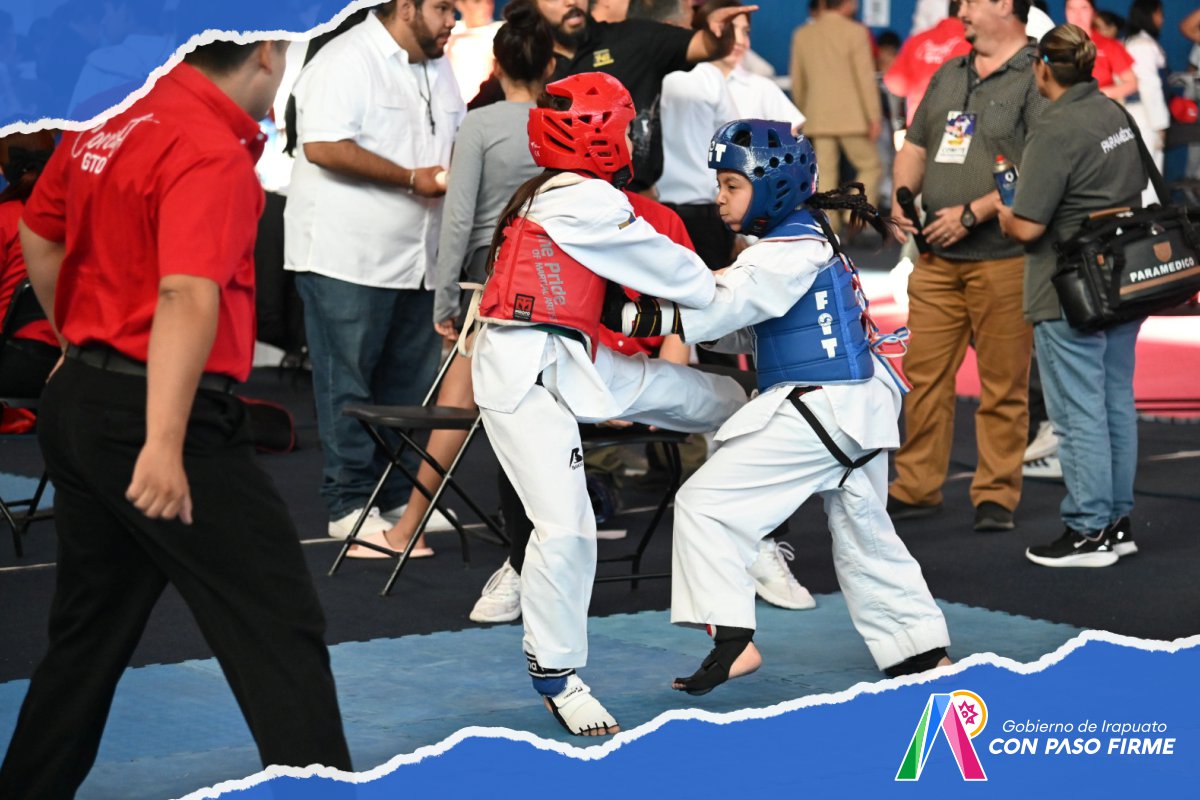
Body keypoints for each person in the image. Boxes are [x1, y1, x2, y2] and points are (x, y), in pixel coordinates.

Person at [0, 40, 353, 798]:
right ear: (265, 54)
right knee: (277, 627)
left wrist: (74, 341)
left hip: (82, 402)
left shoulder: (108, 118)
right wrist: (162, 443)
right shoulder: (207, 149)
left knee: (87, 636)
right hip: (166, 419)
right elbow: (185, 294)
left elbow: (39, 231)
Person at [607, 119, 951, 692]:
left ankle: (732, 640)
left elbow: (724, 304)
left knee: (705, 504)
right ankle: (921, 655)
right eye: (719, 184)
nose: (719, 198)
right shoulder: (802, 239)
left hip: (823, 408)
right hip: (854, 407)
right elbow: (753, 328)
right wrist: (675, 317)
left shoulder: (786, 251)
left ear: (772, 186)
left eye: (732, 185)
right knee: (867, 537)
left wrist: (631, 314)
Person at [468, 72, 746, 735]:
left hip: (577, 359)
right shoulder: (582, 201)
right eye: (626, 127)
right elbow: (681, 278)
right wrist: (752, 296)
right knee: (565, 529)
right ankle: (556, 676)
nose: (634, 138)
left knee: (730, 402)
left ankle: (745, 531)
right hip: (523, 378)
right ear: (601, 137)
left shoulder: (554, 193)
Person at [346, 0, 555, 559]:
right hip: (557, 278)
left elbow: (458, 219)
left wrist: (444, 302)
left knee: (454, 408)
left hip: (494, 278)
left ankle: (406, 531)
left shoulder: (480, 124)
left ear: (497, 65)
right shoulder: (560, 124)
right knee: (552, 409)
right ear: (550, 66)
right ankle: (561, 529)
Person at [285, 0, 466, 539]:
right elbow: (322, 146)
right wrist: (412, 179)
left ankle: (397, 500)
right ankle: (348, 504)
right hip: (347, 257)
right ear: (406, 8)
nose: (453, 19)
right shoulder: (344, 59)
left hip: (419, 258)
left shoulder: (438, 66)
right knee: (349, 387)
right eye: (443, 8)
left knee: (407, 389)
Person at [886, 0, 1048, 533]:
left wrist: (974, 212)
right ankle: (915, 486)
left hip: (1003, 259)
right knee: (923, 377)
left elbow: (1041, 167)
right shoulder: (950, 72)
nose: (961, 9)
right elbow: (916, 144)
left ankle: (996, 494)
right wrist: (901, 196)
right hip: (935, 258)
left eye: (972, 1)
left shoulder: (1036, 73)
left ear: (1005, 4)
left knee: (1004, 384)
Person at [997, 23, 1147, 568]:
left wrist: (1004, 211)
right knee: (1114, 405)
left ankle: (1088, 530)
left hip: (1069, 288)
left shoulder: (1054, 128)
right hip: (1120, 279)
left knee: (1078, 413)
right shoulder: (1114, 113)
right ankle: (1115, 525)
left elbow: (1028, 226)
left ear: (1043, 68)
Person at [474, 0, 757, 190]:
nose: (571, 2)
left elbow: (704, 46)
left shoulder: (633, 39)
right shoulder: (529, 59)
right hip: (560, 208)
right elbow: (476, 118)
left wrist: (719, 35)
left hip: (636, 200)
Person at [791, 0, 883, 229]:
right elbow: (865, 79)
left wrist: (803, 112)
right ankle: (856, 213)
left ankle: (830, 225)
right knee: (871, 166)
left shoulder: (803, 34)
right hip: (852, 117)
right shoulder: (856, 32)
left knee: (826, 174)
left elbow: (798, 81)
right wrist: (874, 116)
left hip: (817, 116)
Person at [0, 132, 59, 400]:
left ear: (3, 169)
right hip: (71, 358)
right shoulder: (74, 216)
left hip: (11, 358)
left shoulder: (5, 218)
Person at [885, 2, 971, 128]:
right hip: (958, 126)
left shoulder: (917, 41)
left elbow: (895, 83)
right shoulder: (974, 44)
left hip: (920, 125)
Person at [1124, 0, 1170, 206]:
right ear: (1150, 15)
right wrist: (1160, 125)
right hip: (1144, 117)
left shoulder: (1136, 42)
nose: (1162, 19)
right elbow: (1150, 87)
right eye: (1160, 13)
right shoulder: (1142, 45)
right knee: (1150, 175)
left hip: (1141, 115)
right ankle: (1148, 219)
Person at [1064, 0, 1138, 102]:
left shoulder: (1108, 45)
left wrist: (1099, 94)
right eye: (1071, 9)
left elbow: (1132, 83)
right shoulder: (1054, 44)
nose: (1077, 14)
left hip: (1098, 107)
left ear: (1093, 12)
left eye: (1084, 8)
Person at [446, 0, 502, 103]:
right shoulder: (448, 33)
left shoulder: (501, 33)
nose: (486, 6)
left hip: (486, 104)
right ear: (459, 3)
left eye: (489, 2)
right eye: (477, 1)